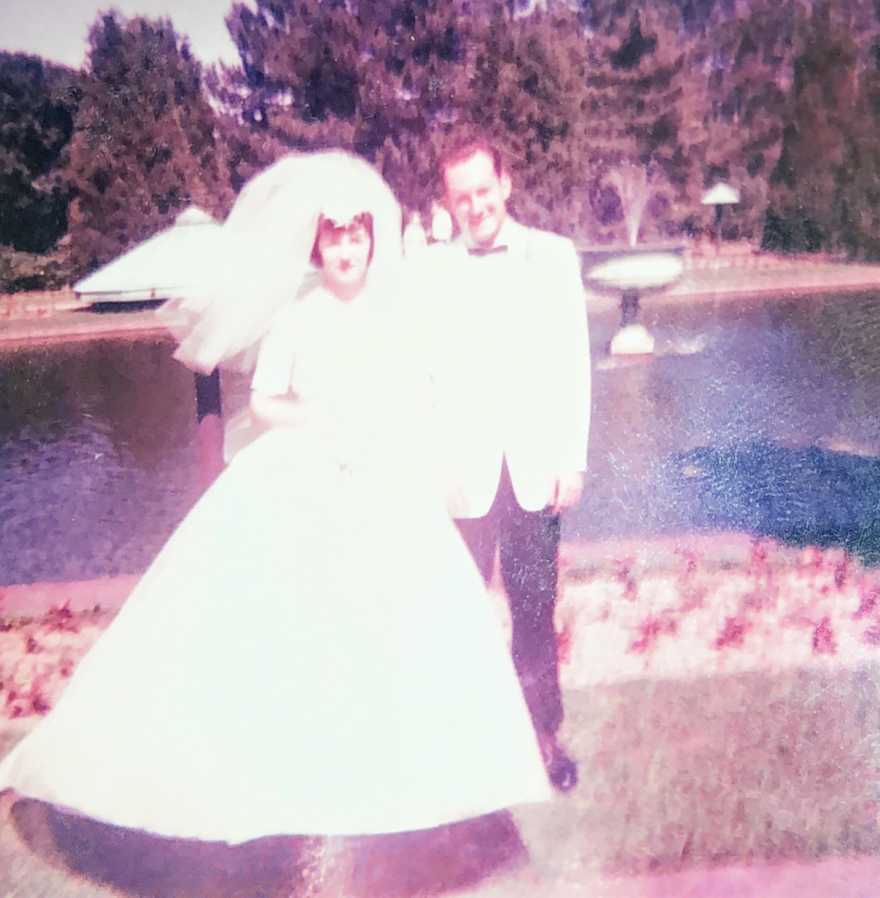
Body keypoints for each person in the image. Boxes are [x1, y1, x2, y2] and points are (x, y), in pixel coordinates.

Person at [0, 152, 551, 859]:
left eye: (357, 237)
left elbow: (417, 392)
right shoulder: (298, 319)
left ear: (371, 243)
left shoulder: (391, 316)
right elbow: (264, 400)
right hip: (303, 474)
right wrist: (318, 423)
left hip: (382, 483)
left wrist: (386, 428)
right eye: (334, 238)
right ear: (316, 246)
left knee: (393, 623)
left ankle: (392, 779)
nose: (346, 250)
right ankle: (285, 776)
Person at [427, 138, 592, 793]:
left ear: (506, 183)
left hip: (532, 473)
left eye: (483, 191)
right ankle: (460, 749)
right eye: (460, 196)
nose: (475, 206)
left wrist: (571, 462)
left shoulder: (553, 258)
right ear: (448, 202)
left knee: (533, 613)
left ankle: (545, 741)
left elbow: (574, 365)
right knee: (454, 613)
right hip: (458, 479)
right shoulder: (430, 270)